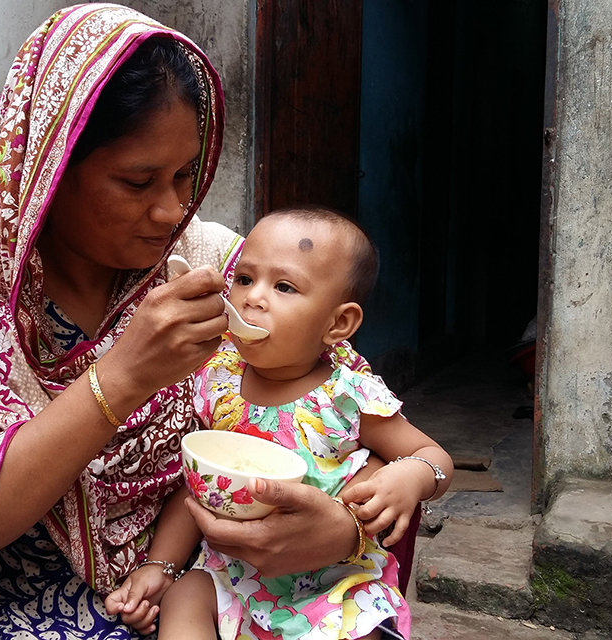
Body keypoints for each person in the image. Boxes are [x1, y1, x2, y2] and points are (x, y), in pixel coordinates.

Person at [0, 5, 396, 638]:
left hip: (229, 598)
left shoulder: (219, 270)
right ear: (49, 169)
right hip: (35, 619)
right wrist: (118, 379)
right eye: (138, 180)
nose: (171, 209)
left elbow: (346, 418)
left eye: (184, 175)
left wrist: (342, 528)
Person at [105, 208, 453, 640]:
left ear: (337, 323)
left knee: (359, 624)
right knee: (185, 595)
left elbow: (432, 455)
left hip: (329, 583)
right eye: (245, 279)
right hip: (232, 575)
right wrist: (160, 566)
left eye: (284, 286)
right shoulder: (217, 380)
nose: (252, 297)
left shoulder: (347, 397)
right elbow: (196, 489)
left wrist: (413, 476)